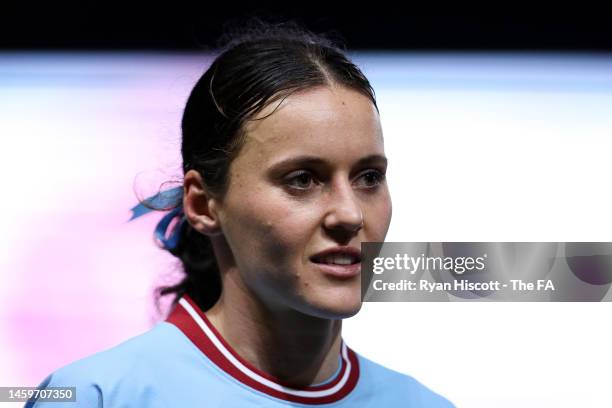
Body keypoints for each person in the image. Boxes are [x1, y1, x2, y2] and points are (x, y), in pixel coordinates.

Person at [27, 19, 454, 407]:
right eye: (302, 179)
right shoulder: (95, 397)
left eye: (368, 177)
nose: (349, 214)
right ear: (202, 204)